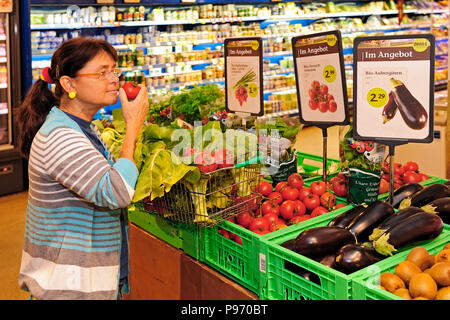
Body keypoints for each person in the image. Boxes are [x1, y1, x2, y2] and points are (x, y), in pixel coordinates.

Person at [16, 37, 149, 300]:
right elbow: (117, 192)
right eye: (102, 73)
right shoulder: (60, 135)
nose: (114, 79)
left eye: (114, 70)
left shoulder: (83, 128)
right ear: (69, 84)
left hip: (86, 280)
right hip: (68, 287)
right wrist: (133, 126)